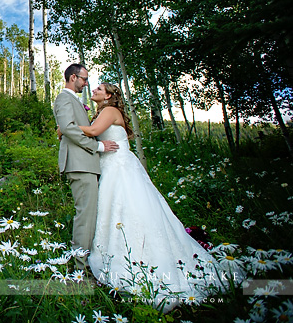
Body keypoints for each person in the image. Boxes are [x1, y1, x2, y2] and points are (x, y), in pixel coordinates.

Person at [80, 82, 243, 311]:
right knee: (120, 210)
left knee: (125, 209)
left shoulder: (108, 110)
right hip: (114, 167)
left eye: (99, 89)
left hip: (119, 170)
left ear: (108, 95)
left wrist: (67, 127)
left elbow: (95, 132)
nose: (95, 90)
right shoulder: (105, 112)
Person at [53, 64, 118, 272]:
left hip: (86, 164)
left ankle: (85, 261)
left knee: (89, 214)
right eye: (84, 79)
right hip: (80, 164)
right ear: (73, 78)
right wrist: (97, 146)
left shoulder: (75, 100)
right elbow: (68, 128)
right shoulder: (64, 98)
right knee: (85, 216)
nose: (87, 83)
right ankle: (79, 268)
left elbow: (72, 128)